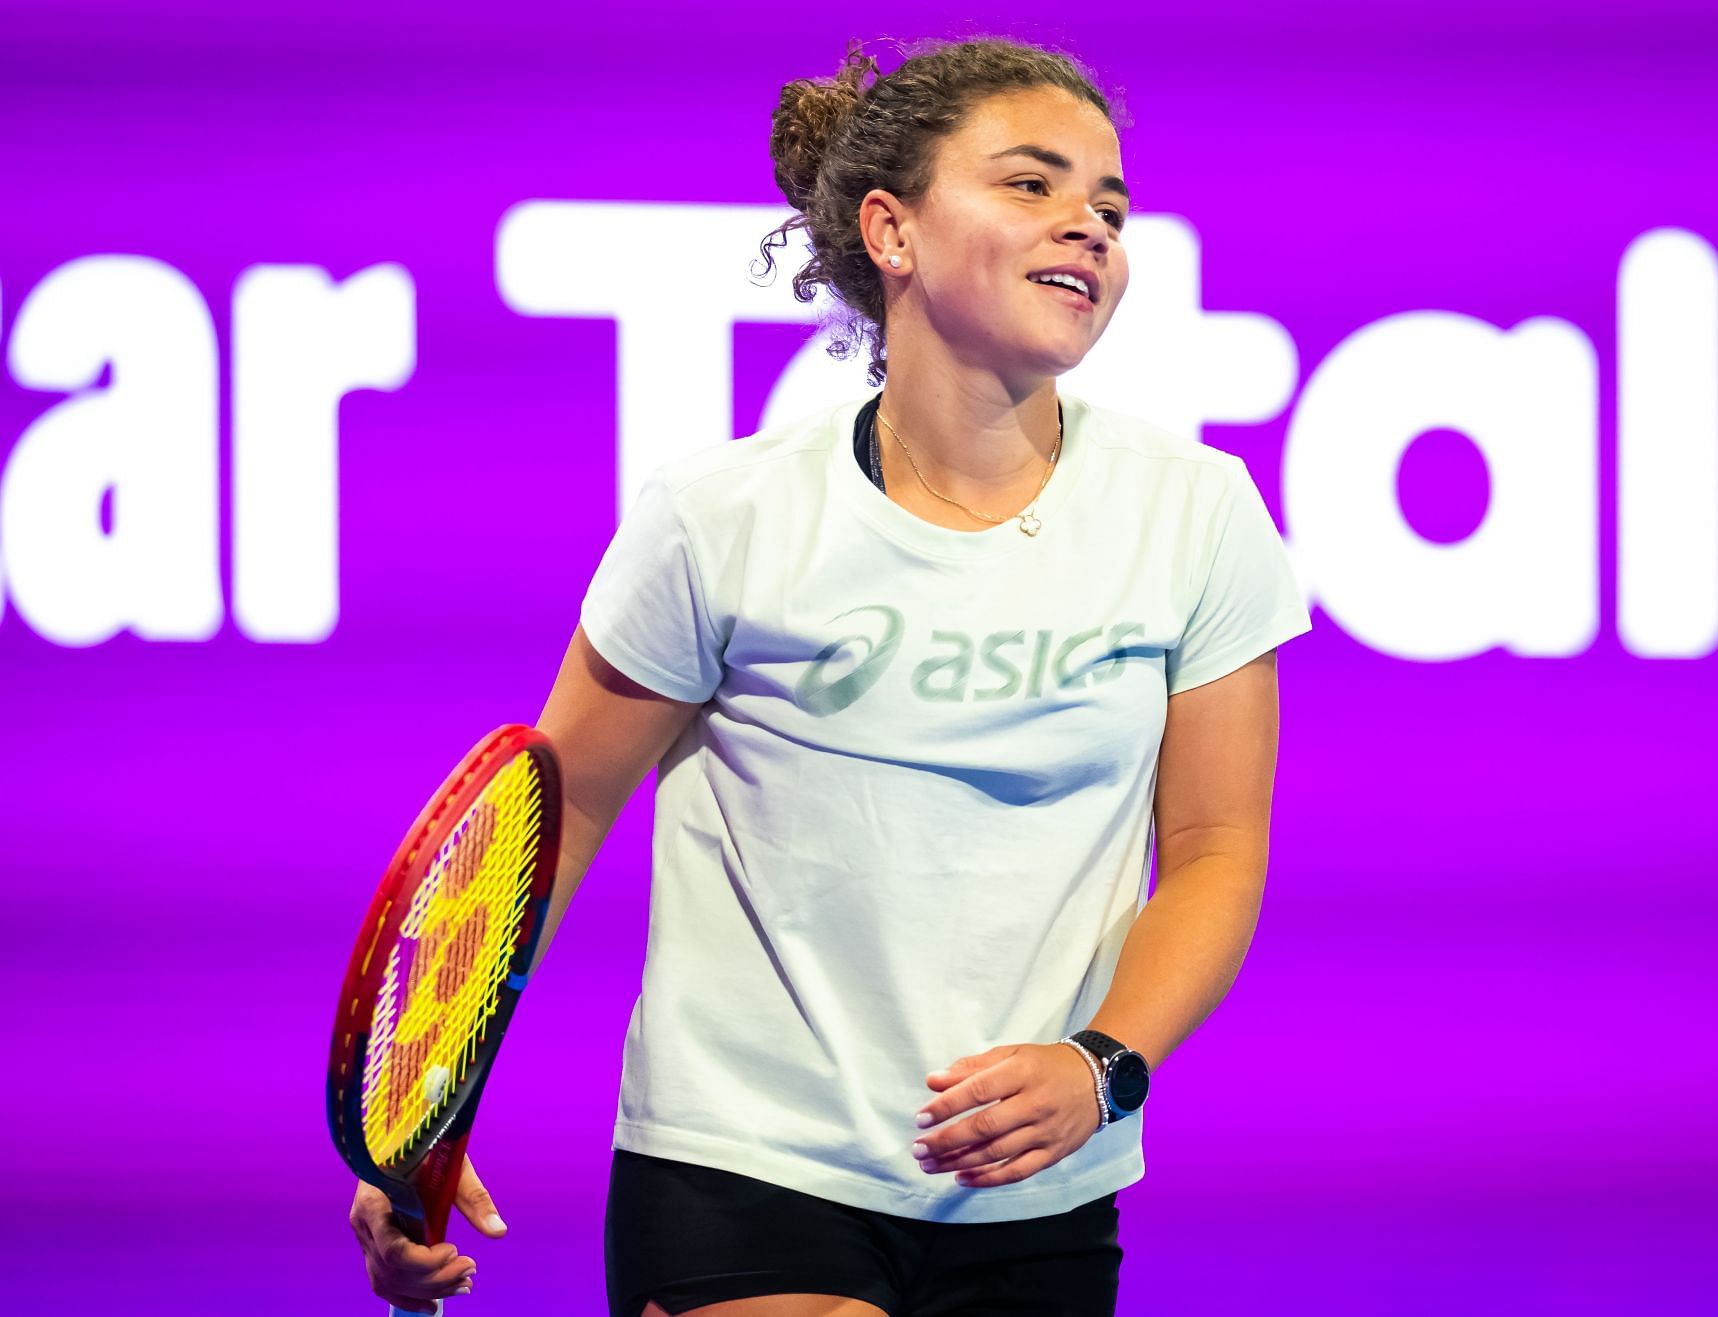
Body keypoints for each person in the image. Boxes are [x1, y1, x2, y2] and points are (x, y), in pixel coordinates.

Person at [349, 32, 1312, 1317]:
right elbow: (550, 813)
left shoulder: (1199, 513)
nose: (1089, 224)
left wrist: (1104, 1066)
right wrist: (422, 1108)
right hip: (744, 1163)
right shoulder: (723, 516)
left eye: (1110, 204)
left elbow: (1210, 851)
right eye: (1032, 184)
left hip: (1038, 1189)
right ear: (891, 232)